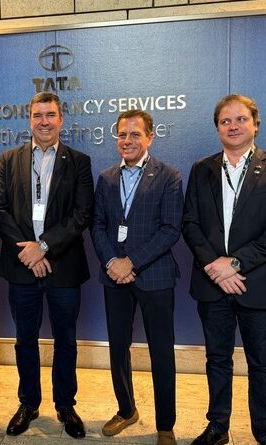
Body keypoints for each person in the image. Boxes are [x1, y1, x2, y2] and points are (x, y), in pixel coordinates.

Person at [182, 94, 266, 445]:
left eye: (240, 119)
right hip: (212, 282)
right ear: (217, 127)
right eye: (225, 121)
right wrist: (214, 266)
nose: (233, 126)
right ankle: (218, 427)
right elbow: (190, 223)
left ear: (255, 124)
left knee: (260, 361)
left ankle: (264, 431)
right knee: (217, 359)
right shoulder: (202, 168)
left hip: (257, 282)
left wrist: (234, 263)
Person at [0, 92, 94, 439]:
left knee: (66, 340)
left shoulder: (78, 161)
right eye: (38, 115)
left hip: (63, 266)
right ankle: (29, 403)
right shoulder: (9, 159)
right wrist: (28, 253)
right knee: (25, 340)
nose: (44, 121)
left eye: (50, 115)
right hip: (21, 267)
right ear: (29, 119)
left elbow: (82, 214)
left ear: (61, 119)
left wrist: (44, 247)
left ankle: (65, 405)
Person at [91, 110, 184, 445]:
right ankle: (126, 409)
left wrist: (131, 262)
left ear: (149, 137)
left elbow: (170, 229)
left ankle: (165, 425)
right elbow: (97, 225)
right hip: (114, 277)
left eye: (134, 134)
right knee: (118, 348)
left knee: (162, 352)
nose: (127, 141)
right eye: (121, 135)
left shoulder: (169, 176)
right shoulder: (106, 178)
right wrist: (112, 262)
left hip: (154, 276)